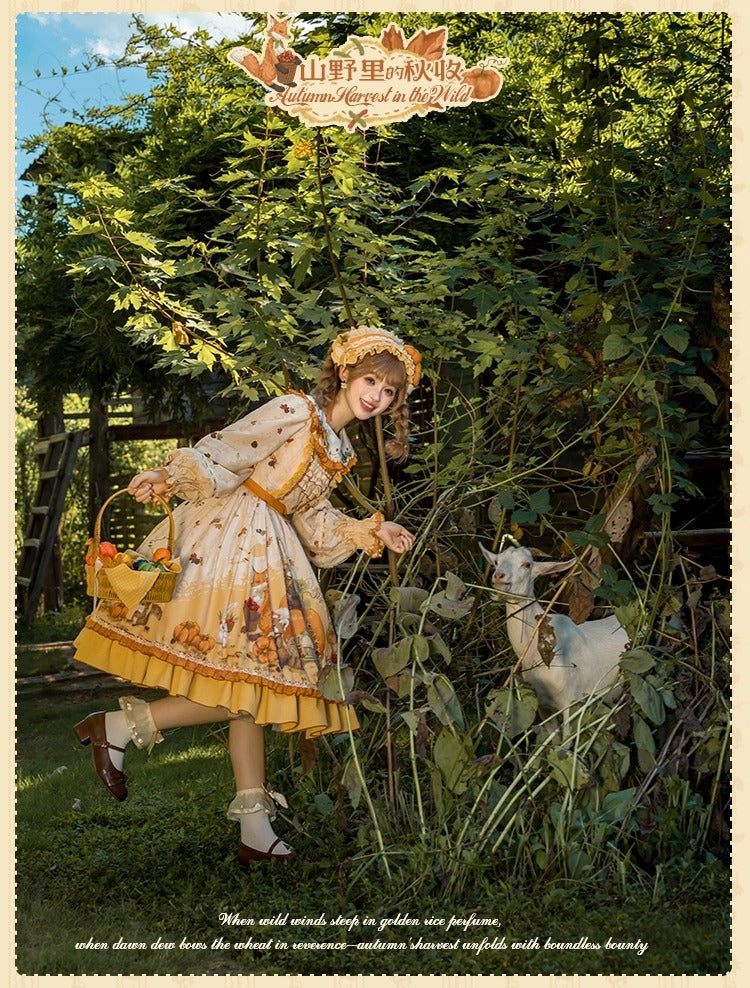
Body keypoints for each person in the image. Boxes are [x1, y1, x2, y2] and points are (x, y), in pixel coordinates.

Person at [72, 326, 420, 865]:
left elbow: (314, 526)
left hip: (275, 546)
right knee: (246, 679)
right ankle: (119, 727)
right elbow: (229, 449)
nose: (376, 395)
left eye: (389, 391)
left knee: (252, 681)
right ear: (345, 372)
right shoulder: (297, 410)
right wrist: (168, 475)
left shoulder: (339, 447)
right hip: (233, 539)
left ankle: (253, 828)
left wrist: (372, 531)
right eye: (370, 380)